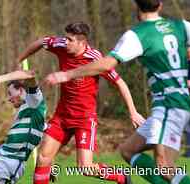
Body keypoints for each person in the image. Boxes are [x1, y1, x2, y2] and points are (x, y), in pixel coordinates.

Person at [44, 0, 190, 183]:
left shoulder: (138, 34)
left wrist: (67, 75)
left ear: (136, 7)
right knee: (127, 151)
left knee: (164, 166)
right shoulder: (181, 26)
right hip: (168, 106)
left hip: (170, 104)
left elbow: (107, 64)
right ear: (160, 5)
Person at [16, 22, 144, 184]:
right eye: (65, 38)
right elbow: (41, 42)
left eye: (70, 40)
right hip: (62, 117)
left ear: (82, 42)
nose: (65, 42)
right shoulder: (61, 45)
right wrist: (20, 59)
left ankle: (120, 176)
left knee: (85, 167)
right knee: (43, 158)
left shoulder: (95, 58)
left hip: (84, 119)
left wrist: (132, 111)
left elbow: (120, 83)